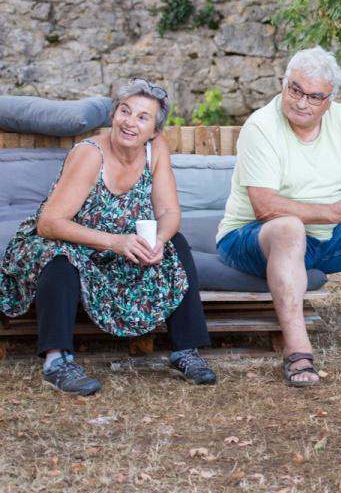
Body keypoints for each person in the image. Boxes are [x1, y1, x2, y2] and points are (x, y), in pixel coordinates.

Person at [0, 79, 216, 395]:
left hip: (115, 249)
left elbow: (169, 211)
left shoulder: (155, 150)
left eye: (142, 117)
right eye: (125, 111)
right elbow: (49, 223)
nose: (130, 122)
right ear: (113, 114)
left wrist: (158, 241)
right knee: (60, 258)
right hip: (64, 240)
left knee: (175, 243)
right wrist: (115, 241)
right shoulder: (91, 155)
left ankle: (186, 351)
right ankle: (57, 362)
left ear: (154, 131)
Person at [217, 47, 341, 387]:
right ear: (284, 84)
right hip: (251, 237)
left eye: (314, 96)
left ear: (329, 101)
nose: (301, 102)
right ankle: (297, 351)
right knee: (289, 228)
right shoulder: (261, 126)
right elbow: (265, 207)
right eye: (295, 90)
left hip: (324, 236)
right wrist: (334, 211)